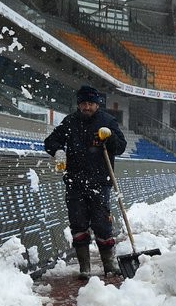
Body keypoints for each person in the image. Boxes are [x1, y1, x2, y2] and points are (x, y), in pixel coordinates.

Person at [43, 85, 127, 277]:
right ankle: (84, 267)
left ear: (97, 105)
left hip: (100, 183)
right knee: (78, 224)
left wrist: (110, 138)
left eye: (90, 103)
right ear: (78, 105)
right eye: (83, 103)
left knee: (102, 225)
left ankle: (109, 265)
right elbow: (50, 141)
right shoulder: (70, 122)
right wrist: (58, 151)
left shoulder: (107, 121)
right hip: (75, 183)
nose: (86, 107)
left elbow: (121, 147)